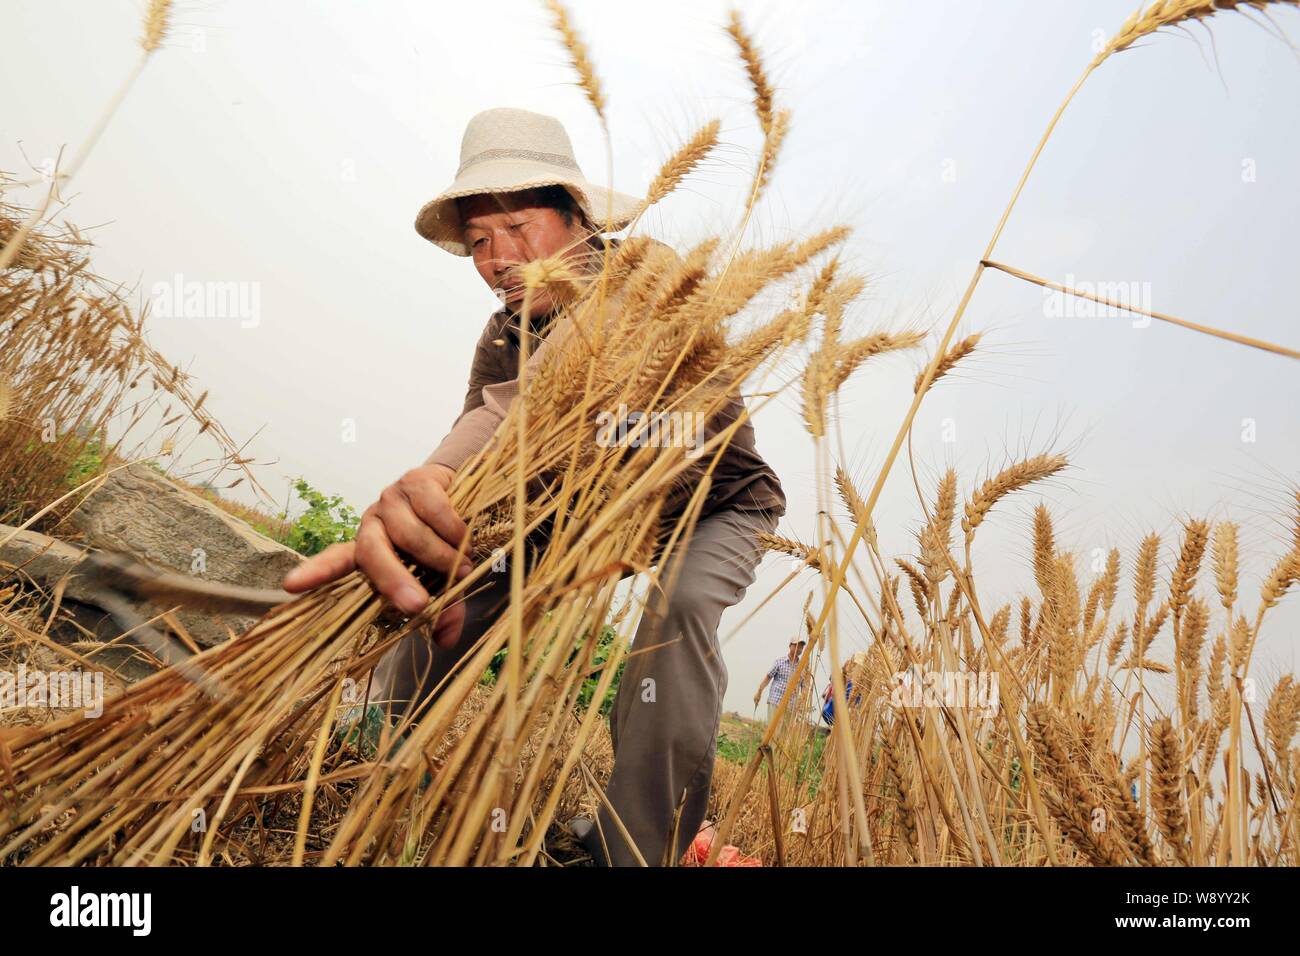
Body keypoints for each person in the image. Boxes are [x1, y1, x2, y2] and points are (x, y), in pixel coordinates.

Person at [282, 107, 786, 867]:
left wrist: (473, 455)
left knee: (677, 612)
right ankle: (367, 751)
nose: (498, 258)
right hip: (572, 510)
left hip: (710, 503)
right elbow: (481, 435)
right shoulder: (501, 336)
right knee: (451, 576)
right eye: (479, 241)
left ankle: (636, 851)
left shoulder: (651, 274)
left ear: (576, 218)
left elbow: (538, 400)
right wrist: (436, 488)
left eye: (516, 226)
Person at [754, 638, 808, 725]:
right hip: (776, 700)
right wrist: (759, 692)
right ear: (790, 646)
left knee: (783, 735)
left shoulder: (802, 667)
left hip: (791, 705)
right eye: (796, 645)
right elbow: (768, 678)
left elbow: (804, 686)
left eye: (801, 647)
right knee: (772, 730)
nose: (799, 649)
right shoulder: (780, 662)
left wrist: (801, 701)